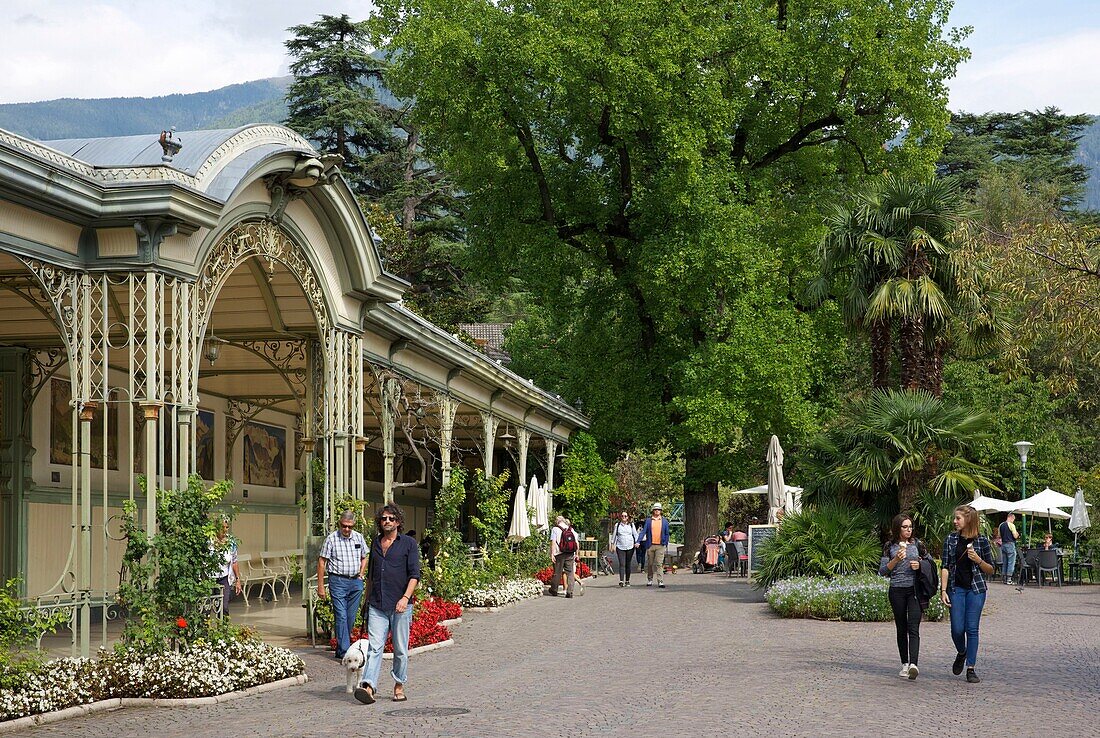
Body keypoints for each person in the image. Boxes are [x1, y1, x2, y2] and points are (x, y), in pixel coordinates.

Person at [355, 503, 421, 705]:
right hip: (377, 604)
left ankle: (399, 685)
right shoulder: (375, 543)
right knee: (375, 648)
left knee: (400, 649)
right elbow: (371, 577)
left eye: (391, 519)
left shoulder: (408, 544)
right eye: (384, 518)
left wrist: (405, 598)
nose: (387, 521)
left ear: (398, 522)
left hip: (400, 606)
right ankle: (368, 686)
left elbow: (414, 575)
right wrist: (366, 602)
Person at [940, 504, 995, 684]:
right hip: (956, 588)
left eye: (958, 518)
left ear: (968, 519)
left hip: (976, 589)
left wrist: (978, 560)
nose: (954, 521)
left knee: (972, 629)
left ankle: (971, 668)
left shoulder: (982, 541)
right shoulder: (950, 539)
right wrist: (943, 590)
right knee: (957, 628)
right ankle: (962, 652)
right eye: (955, 518)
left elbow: (991, 569)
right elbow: (945, 566)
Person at [317, 510, 368, 660]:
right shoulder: (331, 539)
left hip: (355, 583)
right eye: (344, 526)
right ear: (340, 524)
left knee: (351, 617)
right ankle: (346, 651)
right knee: (341, 616)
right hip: (338, 581)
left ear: (353, 525)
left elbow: (364, 557)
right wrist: (321, 586)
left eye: (349, 526)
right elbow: (322, 561)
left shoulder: (359, 537)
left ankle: (340, 650)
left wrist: (361, 573)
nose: (346, 529)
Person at [879, 514, 924, 679]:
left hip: (914, 590)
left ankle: (914, 664)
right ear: (898, 528)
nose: (908, 530)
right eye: (905, 527)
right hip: (897, 589)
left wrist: (919, 565)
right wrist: (896, 559)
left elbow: (929, 562)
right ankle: (904, 663)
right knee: (901, 627)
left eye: (910, 526)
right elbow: (883, 571)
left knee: (914, 626)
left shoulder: (918, 544)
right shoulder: (889, 546)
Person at [212, 518, 242, 618]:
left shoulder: (231, 542)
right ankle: (205, 632)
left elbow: (234, 561)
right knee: (206, 609)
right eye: (222, 527)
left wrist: (238, 580)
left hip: (224, 578)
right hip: (209, 578)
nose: (225, 530)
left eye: (227, 527)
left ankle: (223, 631)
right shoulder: (209, 541)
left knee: (223, 607)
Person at [637, 502, 669, 588]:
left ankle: (660, 581)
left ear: (661, 511)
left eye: (658, 509)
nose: (657, 511)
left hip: (660, 545)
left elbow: (667, 534)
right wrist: (638, 541)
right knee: (650, 564)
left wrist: (665, 543)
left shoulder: (664, 521)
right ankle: (650, 579)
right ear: (653, 511)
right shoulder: (648, 521)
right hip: (650, 545)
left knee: (659, 563)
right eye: (655, 509)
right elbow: (643, 532)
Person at [548, 515, 579, 597]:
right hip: (570, 553)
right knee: (570, 573)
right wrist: (576, 554)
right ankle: (570, 591)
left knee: (557, 572)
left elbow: (553, 542)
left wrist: (552, 554)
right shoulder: (571, 529)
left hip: (559, 554)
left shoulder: (555, 529)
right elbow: (576, 543)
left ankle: (554, 590)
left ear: (557, 521)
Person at [611, 511, 639, 587]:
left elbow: (635, 534)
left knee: (628, 564)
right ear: (620, 517)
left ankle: (627, 580)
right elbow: (614, 535)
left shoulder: (631, 525)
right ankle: (621, 580)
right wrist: (612, 544)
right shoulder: (617, 525)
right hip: (620, 546)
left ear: (628, 517)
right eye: (622, 516)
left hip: (630, 546)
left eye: (625, 516)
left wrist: (637, 542)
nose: (624, 517)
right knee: (622, 564)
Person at [998, 513, 1019, 584]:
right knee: (1011, 562)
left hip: (1003, 544)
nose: (1013, 521)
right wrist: (1017, 534)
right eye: (1013, 519)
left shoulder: (1001, 525)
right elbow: (1015, 536)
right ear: (1011, 518)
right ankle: (1009, 579)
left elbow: (999, 535)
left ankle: (1004, 578)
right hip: (1010, 544)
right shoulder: (1011, 525)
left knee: (1005, 562)